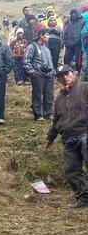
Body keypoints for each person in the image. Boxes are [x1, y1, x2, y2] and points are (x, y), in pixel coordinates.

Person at [46, 65, 88, 208]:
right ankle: (83, 198)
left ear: (73, 74)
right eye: (61, 75)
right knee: (72, 171)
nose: (64, 77)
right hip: (68, 139)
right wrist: (50, 138)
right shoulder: (59, 99)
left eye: (67, 73)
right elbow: (56, 121)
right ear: (58, 79)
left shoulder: (85, 88)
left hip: (85, 134)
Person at [23, 28, 55, 121]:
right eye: (47, 35)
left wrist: (53, 72)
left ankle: (48, 113)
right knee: (38, 95)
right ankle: (38, 114)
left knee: (49, 95)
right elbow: (26, 60)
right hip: (38, 75)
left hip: (49, 75)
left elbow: (51, 62)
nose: (48, 37)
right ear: (41, 35)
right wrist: (32, 71)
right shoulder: (32, 46)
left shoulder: (46, 48)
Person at [0, 32, 14, 125]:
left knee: (0, 94)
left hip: (0, 74)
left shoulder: (4, 47)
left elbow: (10, 60)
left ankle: (0, 115)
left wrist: (5, 71)